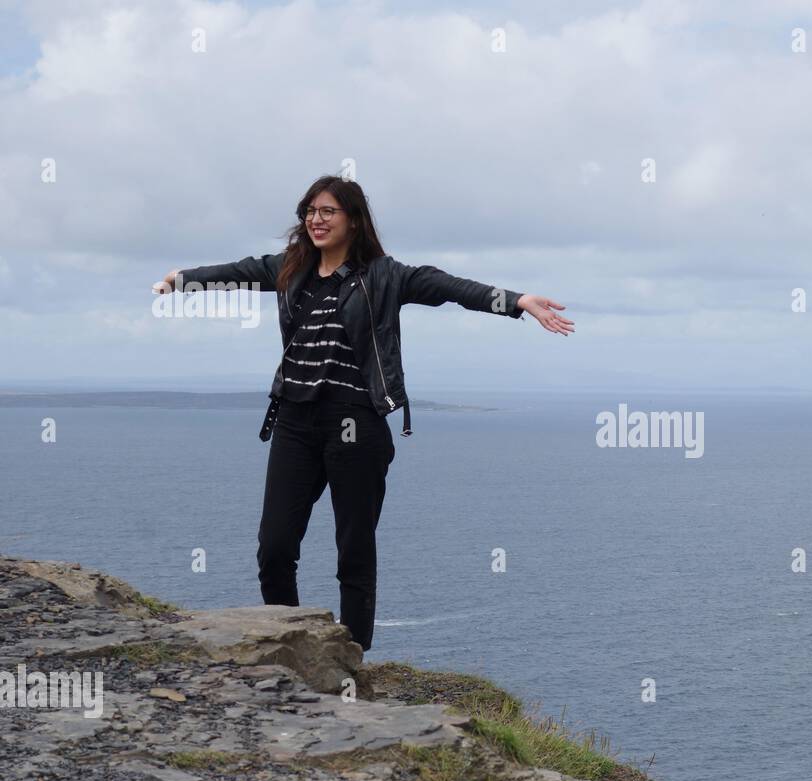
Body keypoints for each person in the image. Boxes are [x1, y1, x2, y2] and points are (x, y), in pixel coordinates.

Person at [153, 175, 573, 652]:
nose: (316, 219)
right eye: (310, 211)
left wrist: (517, 302)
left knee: (353, 552)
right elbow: (240, 271)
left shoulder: (384, 275)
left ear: (353, 220)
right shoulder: (289, 269)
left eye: (327, 211)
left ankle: (350, 659)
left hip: (356, 425)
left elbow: (449, 287)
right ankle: (286, 645)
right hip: (294, 420)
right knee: (274, 548)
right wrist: (183, 280)